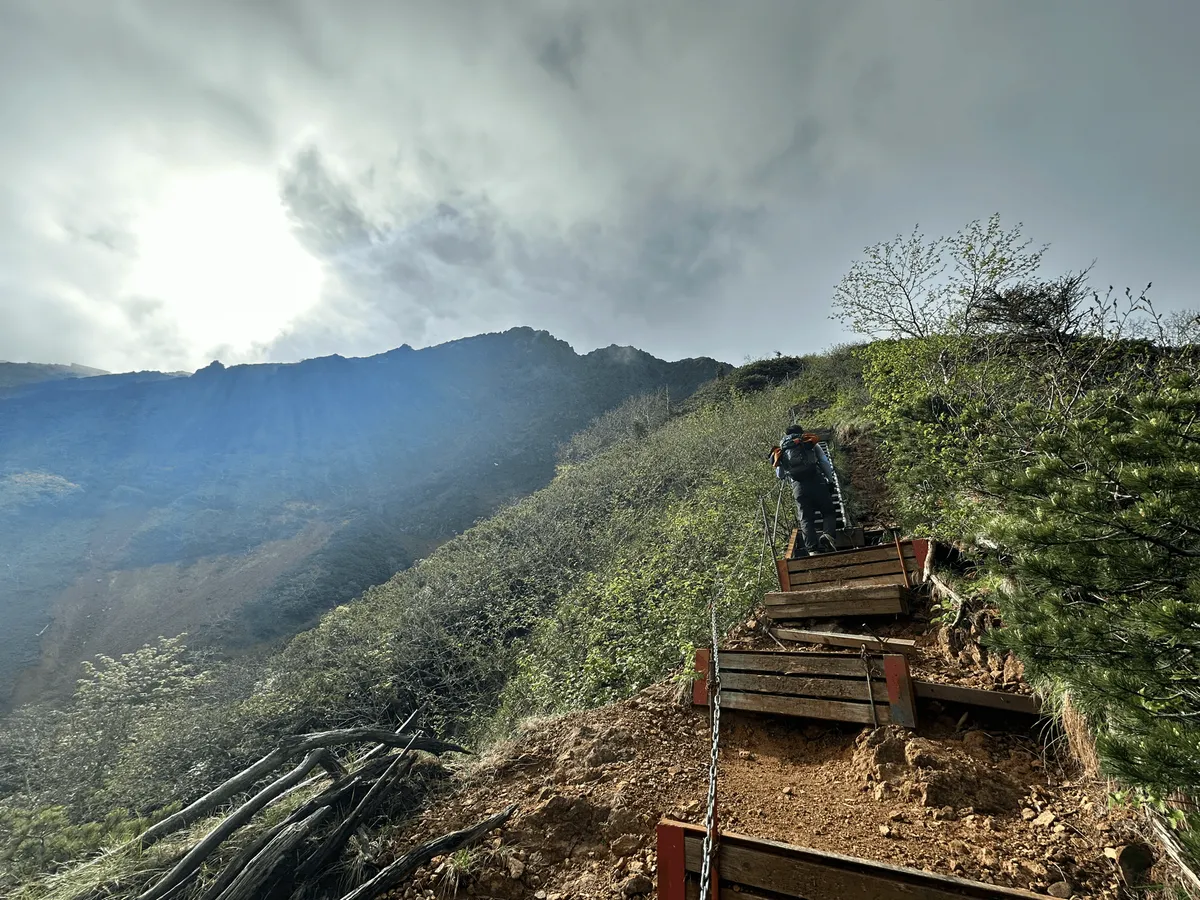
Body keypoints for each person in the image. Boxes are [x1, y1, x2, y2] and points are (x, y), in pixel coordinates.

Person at [768, 425, 838, 556]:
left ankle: (812, 549)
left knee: (806, 518)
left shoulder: (782, 450)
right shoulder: (809, 443)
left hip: (798, 486)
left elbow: (780, 475)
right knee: (828, 511)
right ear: (801, 433)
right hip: (817, 481)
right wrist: (830, 480)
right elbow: (824, 462)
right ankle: (828, 534)